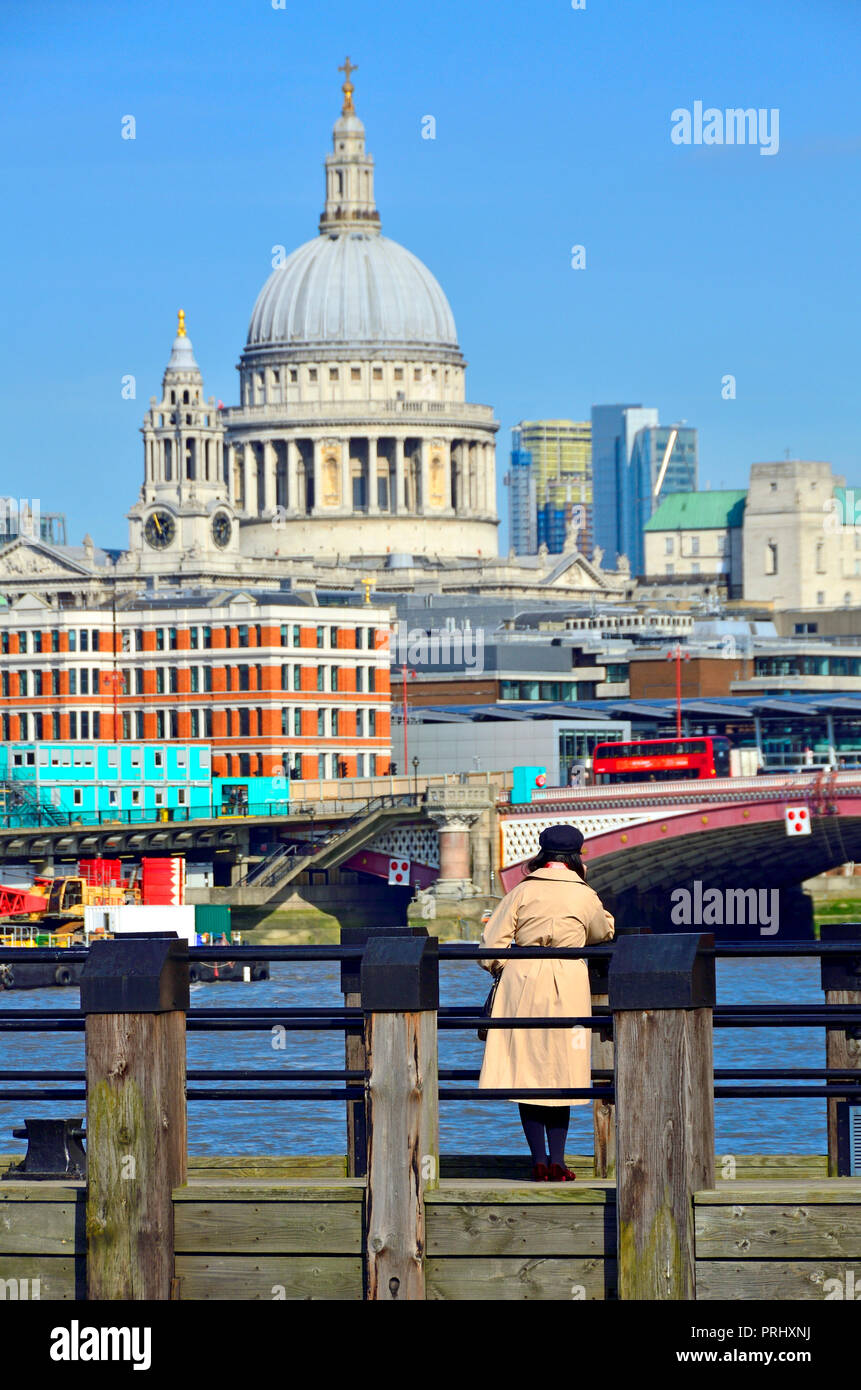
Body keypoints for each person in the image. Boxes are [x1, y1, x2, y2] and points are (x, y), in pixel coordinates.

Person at [477, 823, 615, 1182]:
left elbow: (492, 943)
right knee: (563, 1072)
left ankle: (537, 1161)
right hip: (568, 982)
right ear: (576, 856)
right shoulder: (584, 893)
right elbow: (602, 932)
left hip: (521, 983)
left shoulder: (522, 891)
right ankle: (559, 1162)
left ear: (541, 854)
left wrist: (506, 966)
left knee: (529, 1073)